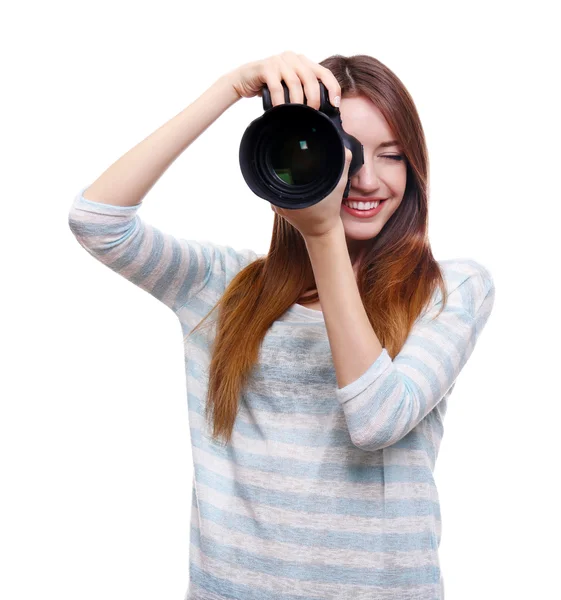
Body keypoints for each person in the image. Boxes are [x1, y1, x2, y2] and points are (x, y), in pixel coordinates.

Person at [68, 51, 495, 600]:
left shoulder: (451, 289)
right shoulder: (221, 285)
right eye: (344, 154)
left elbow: (377, 419)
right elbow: (96, 220)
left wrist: (323, 237)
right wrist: (230, 88)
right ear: (296, 158)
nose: (363, 178)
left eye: (391, 156)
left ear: (414, 169)